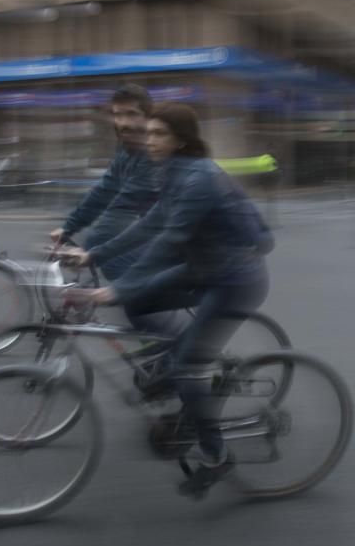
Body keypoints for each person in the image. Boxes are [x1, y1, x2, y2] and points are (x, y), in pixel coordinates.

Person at [64, 103, 274, 499]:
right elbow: (149, 225)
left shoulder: (199, 178)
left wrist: (118, 287)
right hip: (203, 268)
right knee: (140, 304)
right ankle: (182, 361)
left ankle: (216, 456)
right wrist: (94, 255)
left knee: (185, 369)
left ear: (181, 139)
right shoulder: (174, 172)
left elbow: (168, 241)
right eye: (149, 133)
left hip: (235, 279)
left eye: (159, 134)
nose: (150, 140)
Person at [49, 84, 159, 282]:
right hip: (157, 231)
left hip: (186, 238)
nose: (123, 122)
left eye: (131, 114)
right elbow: (104, 192)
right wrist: (69, 228)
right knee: (110, 254)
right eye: (117, 115)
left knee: (113, 260)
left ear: (148, 117)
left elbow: (121, 209)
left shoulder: (154, 153)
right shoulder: (127, 149)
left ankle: (149, 303)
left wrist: (87, 250)